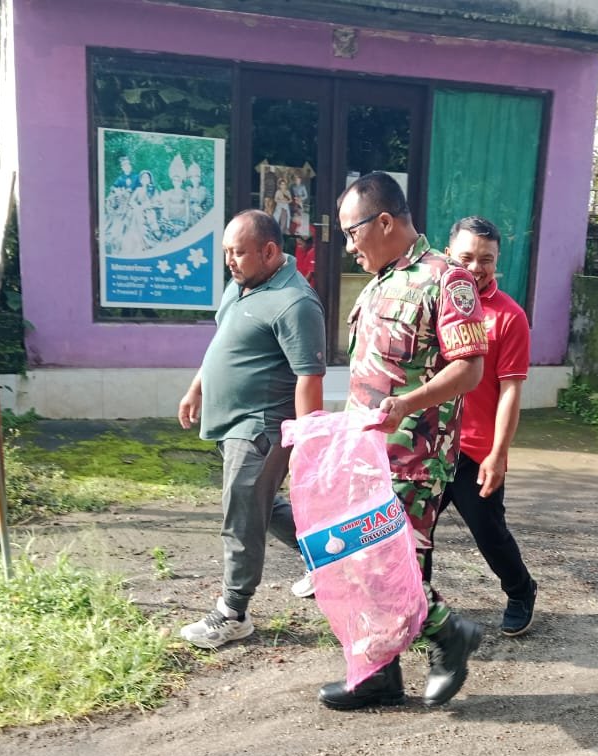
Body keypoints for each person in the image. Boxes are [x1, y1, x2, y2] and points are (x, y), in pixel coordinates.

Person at [317, 171, 487, 711]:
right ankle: (379, 675)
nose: (349, 246)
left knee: (383, 565)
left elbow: (469, 368)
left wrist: (407, 405)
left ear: (385, 221)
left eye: (352, 232)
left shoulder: (446, 280)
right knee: (365, 561)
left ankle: (449, 635)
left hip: (415, 456)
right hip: (367, 455)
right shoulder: (380, 282)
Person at [178, 210, 327, 647]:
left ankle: (233, 612)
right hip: (231, 422)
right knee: (261, 504)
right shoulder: (242, 285)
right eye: (227, 251)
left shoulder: (296, 303)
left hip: (261, 428)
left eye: (238, 252)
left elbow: (309, 378)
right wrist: (196, 388)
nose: (229, 260)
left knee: (241, 513)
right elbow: (223, 341)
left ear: (269, 251)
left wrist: (307, 446)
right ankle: (330, 559)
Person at [441, 216, 537, 636]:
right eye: (466, 257)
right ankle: (417, 602)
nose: (475, 268)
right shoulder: (434, 302)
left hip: (475, 449)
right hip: (429, 443)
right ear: (448, 255)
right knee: (409, 531)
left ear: (497, 261)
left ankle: (521, 590)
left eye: (486, 259)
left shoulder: (510, 317)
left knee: (488, 531)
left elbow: (511, 391)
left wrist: (498, 454)